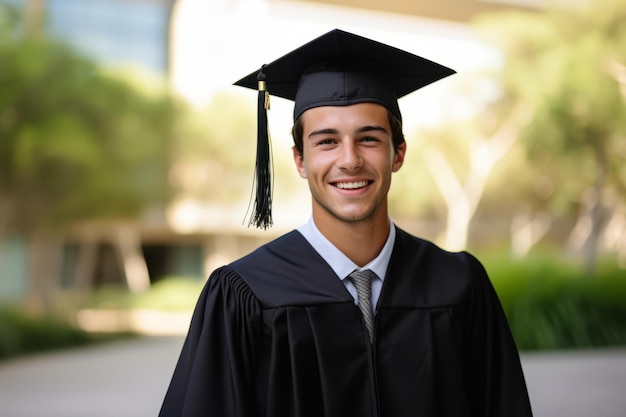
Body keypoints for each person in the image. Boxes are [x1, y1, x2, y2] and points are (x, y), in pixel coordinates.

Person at [159, 29, 533, 417]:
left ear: (398, 153)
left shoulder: (458, 285)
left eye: (369, 139)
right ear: (300, 160)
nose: (350, 160)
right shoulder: (246, 294)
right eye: (327, 141)